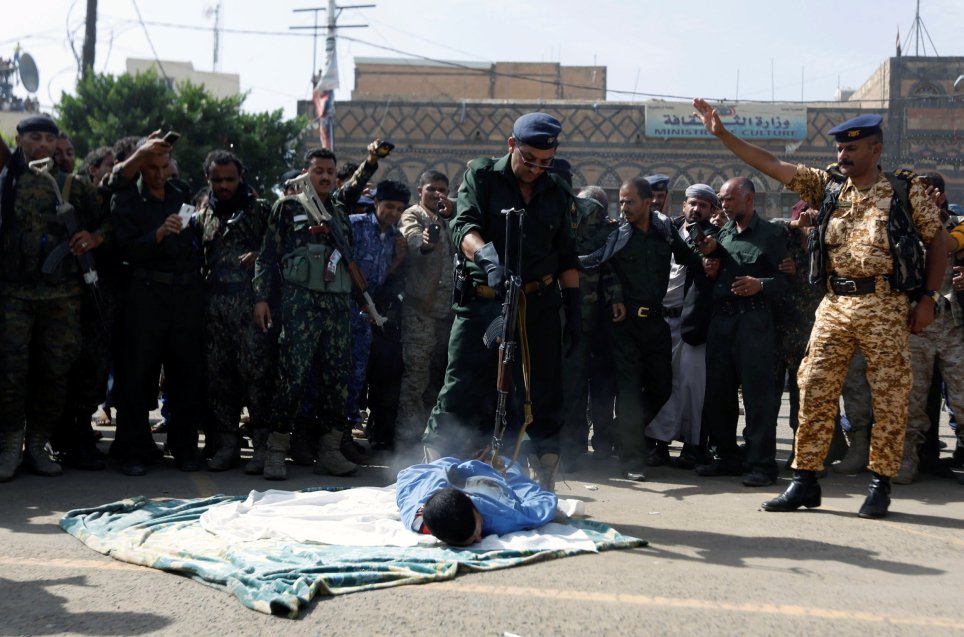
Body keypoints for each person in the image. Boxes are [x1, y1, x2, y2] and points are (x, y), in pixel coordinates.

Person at [693, 100, 945, 518]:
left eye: (853, 149)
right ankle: (805, 479)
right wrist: (722, 134)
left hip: (884, 302)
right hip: (835, 302)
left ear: (876, 151)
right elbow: (772, 164)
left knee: (890, 394)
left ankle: (880, 483)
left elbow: (935, 240)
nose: (842, 156)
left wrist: (928, 298)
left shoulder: (904, 189)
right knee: (813, 387)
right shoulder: (827, 186)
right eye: (840, 150)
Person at [423, 112, 581, 491]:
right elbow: (464, 226)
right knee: (460, 386)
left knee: (542, 394)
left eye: (544, 162)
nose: (535, 169)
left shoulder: (557, 192)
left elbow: (567, 258)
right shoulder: (481, 175)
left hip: (537, 307)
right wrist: (488, 260)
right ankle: (433, 475)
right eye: (529, 159)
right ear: (512, 145)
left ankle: (542, 479)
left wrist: (573, 312)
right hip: (484, 303)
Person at [252, 141, 386, 480]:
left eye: (330, 172)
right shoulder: (286, 207)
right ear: (306, 173)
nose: (325, 177)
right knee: (292, 379)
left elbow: (350, 258)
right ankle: (276, 451)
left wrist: (371, 160)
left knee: (337, 380)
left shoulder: (339, 209)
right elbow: (267, 257)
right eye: (319, 171)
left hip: (338, 308)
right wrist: (261, 298)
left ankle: (329, 450)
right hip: (301, 306)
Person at [582, 177, 706, 480]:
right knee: (629, 392)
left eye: (630, 202)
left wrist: (709, 255)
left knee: (662, 386)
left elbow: (687, 257)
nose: (623, 208)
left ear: (649, 202)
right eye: (621, 202)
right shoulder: (618, 235)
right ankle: (631, 460)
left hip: (655, 322)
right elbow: (601, 265)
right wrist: (617, 296)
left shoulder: (664, 232)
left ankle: (618, 432)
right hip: (624, 325)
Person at [0, 116, 101, 481]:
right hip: (14, 293)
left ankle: (38, 444)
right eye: (34, 138)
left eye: (48, 139)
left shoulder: (69, 185)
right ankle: (10, 444)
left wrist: (93, 237)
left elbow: (109, 216)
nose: (42, 145)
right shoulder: (6, 182)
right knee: (11, 372)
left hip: (61, 295)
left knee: (55, 372)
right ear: (20, 139)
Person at [109, 132, 204, 477]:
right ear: (140, 168)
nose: (160, 175)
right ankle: (133, 449)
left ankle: (184, 447)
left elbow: (193, 238)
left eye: (165, 167)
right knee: (137, 375)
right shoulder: (126, 200)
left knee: (185, 373)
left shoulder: (180, 193)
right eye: (152, 168)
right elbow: (125, 250)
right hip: (145, 294)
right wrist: (158, 235)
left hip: (184, 296)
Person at [693, 176, 789, 487]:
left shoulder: (772, 235)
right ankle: (726, 457)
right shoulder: (723, 234)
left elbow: (789, 282)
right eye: (721, 198)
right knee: (719, 392)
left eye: (729, 198)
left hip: (754, 323)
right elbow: (713, 275)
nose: (723, 204)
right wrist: (710, 268)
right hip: (722, 321)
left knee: (757, 396)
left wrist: (761, 284)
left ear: (749, 199)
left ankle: (761, 464)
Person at [191, 150, 275, 472]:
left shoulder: (260, 210)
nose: (224, 185)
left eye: (230, 179)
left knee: (257, 377)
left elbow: (278, 250)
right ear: (207, 180)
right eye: (217, 180)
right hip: (215, 308)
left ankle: (263, 447)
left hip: (251, 306)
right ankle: (227, 445)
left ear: (241, 178)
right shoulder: (202, 215)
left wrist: (260, 255)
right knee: (219, 378)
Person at [645, 184, 720, 468]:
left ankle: (693, 445)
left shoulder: (715, 239)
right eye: (692, 203)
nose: (696, 209)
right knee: (662, 383)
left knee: (692, 387)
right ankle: (659, 445)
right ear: (683, 206)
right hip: (660, 320)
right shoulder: (669, 231)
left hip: (693, 324)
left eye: (703, 205)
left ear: (713, 211)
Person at [343, 179, 408, 457]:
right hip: (343, 311)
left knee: (356, 378)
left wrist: (396, 261)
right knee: (339, 377)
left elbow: (381, 278)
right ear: (377, 203)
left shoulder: (394, 237)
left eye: (399, 208)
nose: (393, 212)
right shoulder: (354, 224)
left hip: (367, 316)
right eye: (388, 206)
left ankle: (343, 437)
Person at [395, 171, 456, 457]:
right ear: (420, 190)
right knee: (415, 378)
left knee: (438, 379)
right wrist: (426, 243)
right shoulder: (414, 215)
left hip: (446, 314)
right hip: (420, 313)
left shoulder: (447, 219)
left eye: (442, 190)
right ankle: (406, 442)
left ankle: (430, 440)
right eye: (432, 189)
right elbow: (414, 242)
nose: (437, 194)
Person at [395, 456, 558, 546]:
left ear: (473, 506)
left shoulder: (501, 516)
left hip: (474, 464)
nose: (480, 539)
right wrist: (505, 474)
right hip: (496, 471)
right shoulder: (503, 517)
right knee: (509, 466)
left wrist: (466, 464)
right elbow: (544, 501)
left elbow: (408, 475)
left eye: (477, 531)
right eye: (475, 538)